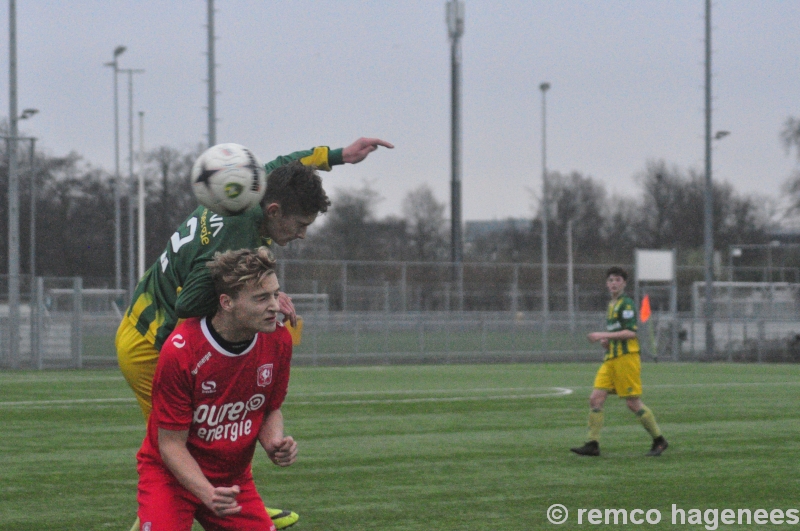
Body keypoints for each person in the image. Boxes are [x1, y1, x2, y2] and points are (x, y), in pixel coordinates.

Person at [118, 137, 392, 529]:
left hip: (147, 323)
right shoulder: (237, 235)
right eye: (300, 225)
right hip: (152, 342)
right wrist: (264, 296)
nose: (302, 235)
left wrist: (338, 157)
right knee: (176, 446)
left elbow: (285, 163)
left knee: (203, 437)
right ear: (275, 211)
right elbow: (189, 303)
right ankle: (166, 518)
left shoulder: (250, 192)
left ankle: (239, 504)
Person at [137, 247, 297, 530]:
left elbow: (270, 407)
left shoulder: (279, 340)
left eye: (275, 293)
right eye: (261, 298)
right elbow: (171, 445)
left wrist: (274, 442)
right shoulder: (181, 350)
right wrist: (206, 493)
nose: (275, 305)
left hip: (232, 481)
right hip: (171, 477)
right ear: (226, 302)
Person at [570, 266, 669, 457]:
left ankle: (659, 440)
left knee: (633, 403)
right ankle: (593, 444)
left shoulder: (627, 303)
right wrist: (607, 341)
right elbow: (618, 332)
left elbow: (631, 332)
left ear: (624, 283)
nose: (613, 283)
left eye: (617, 280)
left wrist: (601, 334)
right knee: (595, 398)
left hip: (626, 358)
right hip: (611, 359)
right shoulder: (611, 305)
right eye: (610, 280)